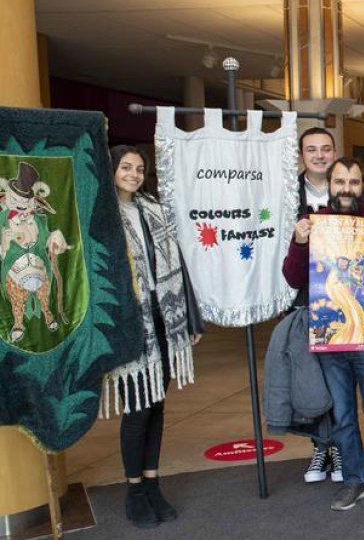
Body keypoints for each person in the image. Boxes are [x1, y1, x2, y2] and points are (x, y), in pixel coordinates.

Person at [282, 157, 364, 510]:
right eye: (340, 182)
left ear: (362, 185)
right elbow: (293, 278)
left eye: (353, 182)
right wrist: (299, 242)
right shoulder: (313, 225)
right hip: (331, 341)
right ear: (330, 185)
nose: (346, 189)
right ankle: (354, 480)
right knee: (343, 418)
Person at [107, 146, 203, 529]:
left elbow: (179, 265)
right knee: (137, 409)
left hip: (164, 317)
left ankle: (152, 483)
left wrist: (189, 319)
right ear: (111, 169)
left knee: (157, 405)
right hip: (131, 323)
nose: (133, 174)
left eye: (139, 168)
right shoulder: (103, 215)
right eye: (125, 167)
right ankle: (134, 491)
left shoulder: (154, 210)